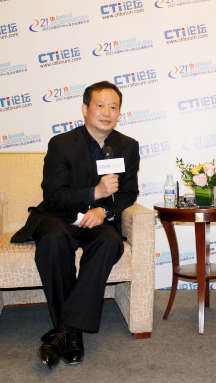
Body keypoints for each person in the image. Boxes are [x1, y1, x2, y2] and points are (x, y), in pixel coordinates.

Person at [11, 81, 140, 369]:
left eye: (113, 107)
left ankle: (63, 332)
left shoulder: (127, 146)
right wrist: (95, 193)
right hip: (58, 216)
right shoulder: (61, 144)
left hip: (97, 218)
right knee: (54, 240)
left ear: (119, 113)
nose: (107, 112)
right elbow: (53, 196)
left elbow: (128, 193)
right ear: (85, 109)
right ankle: (73, 335)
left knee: (109, 242)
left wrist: (103, 210)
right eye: (100, 105)